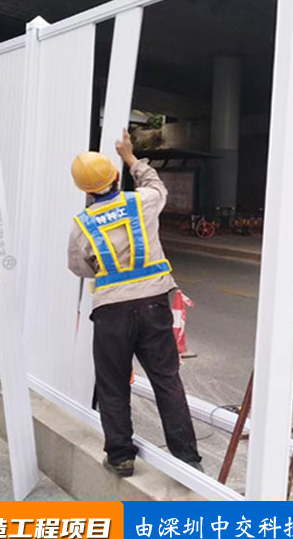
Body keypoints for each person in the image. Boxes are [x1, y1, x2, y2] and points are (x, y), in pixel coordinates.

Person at [67, 129, 202, 477]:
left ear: (85, 190)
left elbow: (78, 267)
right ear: (115, 177)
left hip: (111, 312)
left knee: (112, 384)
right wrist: (130, 157)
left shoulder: (82, 225)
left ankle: (121, 457)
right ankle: (188, 459)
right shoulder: (142, 202)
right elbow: (157, 185)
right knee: (166, 380)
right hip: (154, 304)